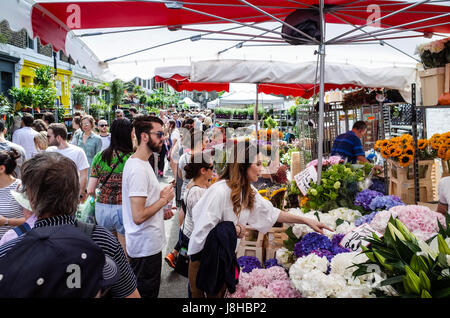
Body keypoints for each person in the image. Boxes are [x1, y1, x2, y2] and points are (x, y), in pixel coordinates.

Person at [187, 139, 333, 298]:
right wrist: (234, 229)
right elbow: (202, 232)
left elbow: (271, 212)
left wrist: (307, 221)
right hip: (204, 261)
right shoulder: (220, 191)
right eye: (257, 164)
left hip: (223, 258)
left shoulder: (247, 191)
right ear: (243, 166)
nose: (261, 169)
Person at [0, 152, 140, 298]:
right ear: (75, 193)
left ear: (31, 198)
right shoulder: (102, 240)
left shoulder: (10, 249)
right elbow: (130, 295)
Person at [122, 114, 175, 298]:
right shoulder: (138, 168)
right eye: (159, 134)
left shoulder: (143, 162)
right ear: (144, 136)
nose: (163, 138)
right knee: (146, 292)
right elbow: (138, 216)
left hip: (146, 243)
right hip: (144, 246)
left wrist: (161, 209)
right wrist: (163, 200)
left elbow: (142, 208)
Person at [87, 119, 133, 254]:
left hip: (102, 208)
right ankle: (125, 275)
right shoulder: (132, 158)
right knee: (124, 250)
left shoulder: (100, 156)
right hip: (124, 208)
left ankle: (110, 274)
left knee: (107, 250)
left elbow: (90, 189)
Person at [165, 152, 212, 269]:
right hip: (192, 236)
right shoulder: (197, 192)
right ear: (203, 171)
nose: (213, 171)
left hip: (187, 231)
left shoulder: (194, 184)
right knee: (194, 270)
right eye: (211, 168)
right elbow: (201, 220)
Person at [46, 123, 90, 202]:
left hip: (71, 196)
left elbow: (84, 175)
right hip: (52, 196)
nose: (47, 138)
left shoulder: (78, 152)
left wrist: (80, 194)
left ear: (58, 137)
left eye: (49, 136)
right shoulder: (49, 151)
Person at [0, 149, 25, 240]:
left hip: (14, 245)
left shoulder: (20, 188)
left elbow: (33, 220)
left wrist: (7, 221)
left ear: (1, 168)